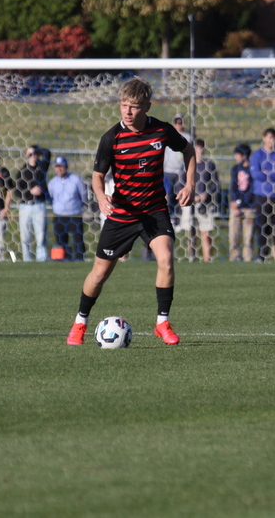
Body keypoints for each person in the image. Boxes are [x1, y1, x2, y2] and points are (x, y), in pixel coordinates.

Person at [66, 77, 195, 346]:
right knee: (99, 274)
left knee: (166, 258)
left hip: (154, 210)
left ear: (147, 106)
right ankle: (80, 323)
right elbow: (98, 176)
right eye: (124, 105)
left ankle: (162, 323)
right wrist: (101, 197)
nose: (127, 111)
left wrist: (190, 184)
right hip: (122, 214)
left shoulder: (161, 131)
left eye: (134, 106)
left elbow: (188, 150)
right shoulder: (111, 138)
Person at [250, 128, 275, 263]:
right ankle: (261, 256)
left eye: (273, 138)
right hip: (262, 196)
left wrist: (267, 173)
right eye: (269, 137)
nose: (271, 140)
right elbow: (256, 174)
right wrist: (274, 176)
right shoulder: (257, 155)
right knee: (262, 227)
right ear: (263, 138)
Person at [7, 146, 48, 262]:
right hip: (25, 206)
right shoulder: (22, 171)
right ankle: (27, 259)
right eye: (31, 154)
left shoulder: (41, 168)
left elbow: (48, 153)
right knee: (25, 236)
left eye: (35, 154)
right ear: (26, 155)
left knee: (41, 235)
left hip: (39, 205)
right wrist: (30, 192)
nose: (34, 156)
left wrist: (36, 149)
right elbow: (17, 191)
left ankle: (42, 259)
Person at [47, 156, 88, 261]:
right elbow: (51, 198)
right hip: (59, 216)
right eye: (57, 166)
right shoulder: (52, 182)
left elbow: (83, 195)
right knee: (60, 242)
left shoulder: (76, 180)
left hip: (74, 215)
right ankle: (64, 261)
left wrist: (78, 207)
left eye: (61, 166)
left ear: (66, 167)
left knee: (78, 240)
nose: (59, 169)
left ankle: (79, 260)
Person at [192, 139, 219, 262]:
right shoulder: (187, 164)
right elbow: (180, 183)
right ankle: (192, 258)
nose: (199, 151)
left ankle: (207, 259)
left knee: (205, 233)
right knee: (191, 233)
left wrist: (206, 194)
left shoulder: (209, 165)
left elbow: (215, 184)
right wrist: (191, 196)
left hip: (206, 205)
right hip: (190, 203)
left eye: (201, 148)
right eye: (196, 148)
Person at [163, 113, 192, 227]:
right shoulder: (169, 134)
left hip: (181, 171)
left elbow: (190, 152)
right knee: (167, 194)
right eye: (177, 122)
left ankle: (180, 219)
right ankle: (169, 216)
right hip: (168, 171)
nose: (179, 124)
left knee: (180, 194)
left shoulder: (188, 136)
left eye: (181, 122)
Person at [228, 143, 255, 262]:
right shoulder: (235, 169)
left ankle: (248, 259)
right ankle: (234, 258)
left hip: (250, 207)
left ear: (244, 156)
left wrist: (239, 202)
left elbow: (252, 190)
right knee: (233, 236)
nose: (235, 157)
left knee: (248, 237)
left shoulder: (253, 169)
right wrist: (234, 203)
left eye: (237, 155)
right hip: (235, 208)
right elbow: (233, 187)